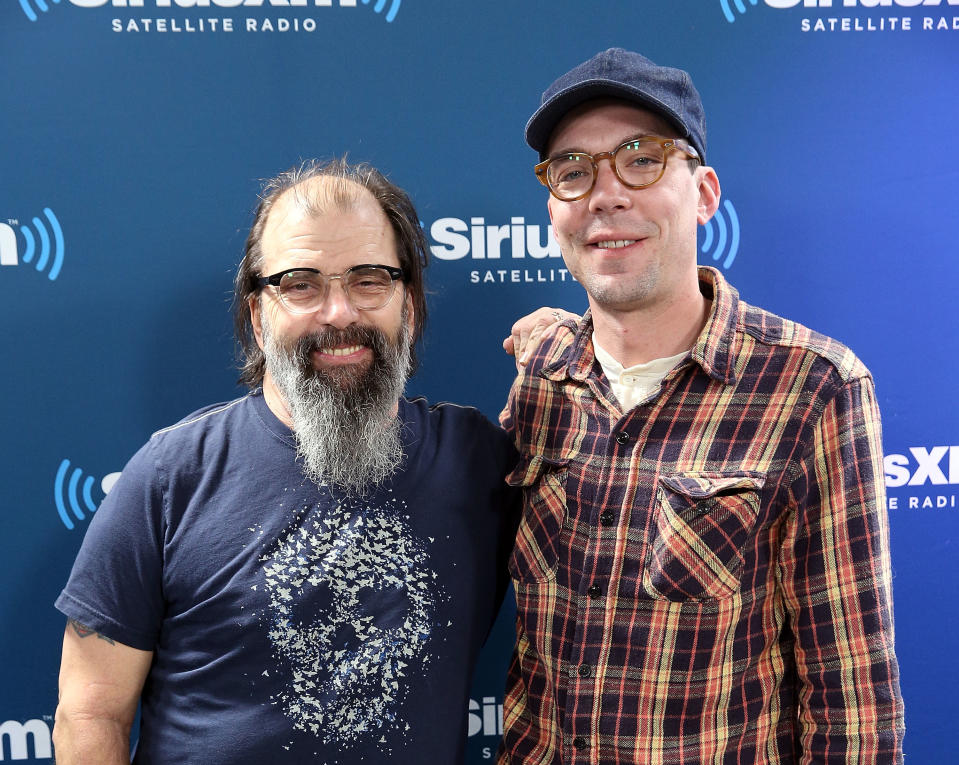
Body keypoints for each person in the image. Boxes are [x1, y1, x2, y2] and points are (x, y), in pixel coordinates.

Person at [498, 48, 904, 764]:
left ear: (704, 193)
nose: (605, 193)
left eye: (640, 159)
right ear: (552, 206)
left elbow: (852, 697)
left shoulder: (813, 388)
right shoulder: (541, 374)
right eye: (572, 171)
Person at [53, 158, 521, 764]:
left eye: (369, 280)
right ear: (257, 313)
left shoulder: (479, 461)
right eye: (301, 284)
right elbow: (91, 710)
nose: (338, 313)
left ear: (409, 303)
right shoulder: (170, 476)